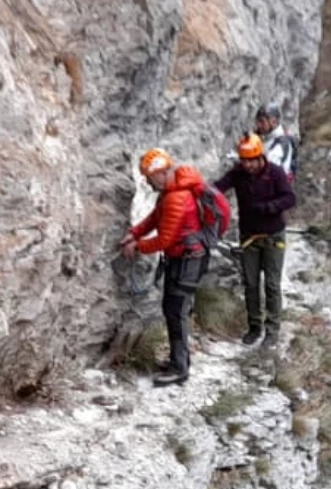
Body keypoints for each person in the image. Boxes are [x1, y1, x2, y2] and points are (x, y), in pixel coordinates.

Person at [119, 148, 228, 387]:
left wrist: (137, 246)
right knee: (175, 309)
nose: (148, 182)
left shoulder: (176, 197)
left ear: (160, 173)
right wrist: (134, 233)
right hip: (186, 259)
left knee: (175, 310)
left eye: (149, 177)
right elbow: (155, 219)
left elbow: (164, 239)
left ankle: (179, 368)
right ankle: (179, 362)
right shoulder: (172, 192)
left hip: (187, 260)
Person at [213, 134, 297, 347]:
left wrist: (269, 208)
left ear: (260, 157)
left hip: (273, 235)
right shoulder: (239, 174)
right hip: (249, 235)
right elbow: (219, 187)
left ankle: (272, 331)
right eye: (244, 161)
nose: (248, 165)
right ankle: (254, 327)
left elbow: (289, 198)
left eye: (251, 161)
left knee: (271, 284)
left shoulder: (275, 173)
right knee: (250, 284)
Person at [254, 102, 297, 182]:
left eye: (262, 122)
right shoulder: (268, 138)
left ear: (273, 122)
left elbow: (267, 170)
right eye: (258, 122)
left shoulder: (281, 144)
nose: (259, 125)